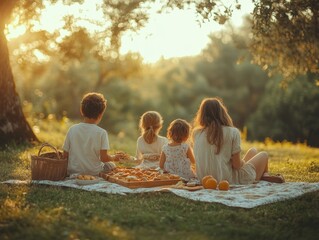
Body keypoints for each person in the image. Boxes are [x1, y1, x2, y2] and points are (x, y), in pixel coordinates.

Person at [192, 97, 285, 184]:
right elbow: (236, 165)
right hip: (227, 180)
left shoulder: (196, 133)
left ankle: (263, 175)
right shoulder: (233, 132)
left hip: (205, 180)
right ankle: (264, 176)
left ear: (202, 115)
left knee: (253, 151)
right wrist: (243, 163)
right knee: (264, 155)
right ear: (221, 112)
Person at [63, 92, 121, 176]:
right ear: (100, 114)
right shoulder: (102, 133)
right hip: (94, 172)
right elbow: (104, 158)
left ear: (82, 110)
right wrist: (114, 157)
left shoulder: (72, 129)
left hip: (73, 171)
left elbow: (65, 154)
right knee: (111, 165)